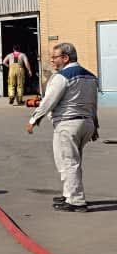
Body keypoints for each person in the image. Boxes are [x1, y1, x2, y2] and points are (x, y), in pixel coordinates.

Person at [27, 43, 100, 212]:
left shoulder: (62, 77)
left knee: (68, 162)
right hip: (85, 123)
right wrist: (95, 125)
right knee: (70, 161)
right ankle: (69, 194)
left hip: (68, 125)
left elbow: (48, 101)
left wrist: (33, 120)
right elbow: (93, 104)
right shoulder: (90, 76)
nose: (52, 61)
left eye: (54, 57)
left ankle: (76, 201)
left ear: (65, 58)